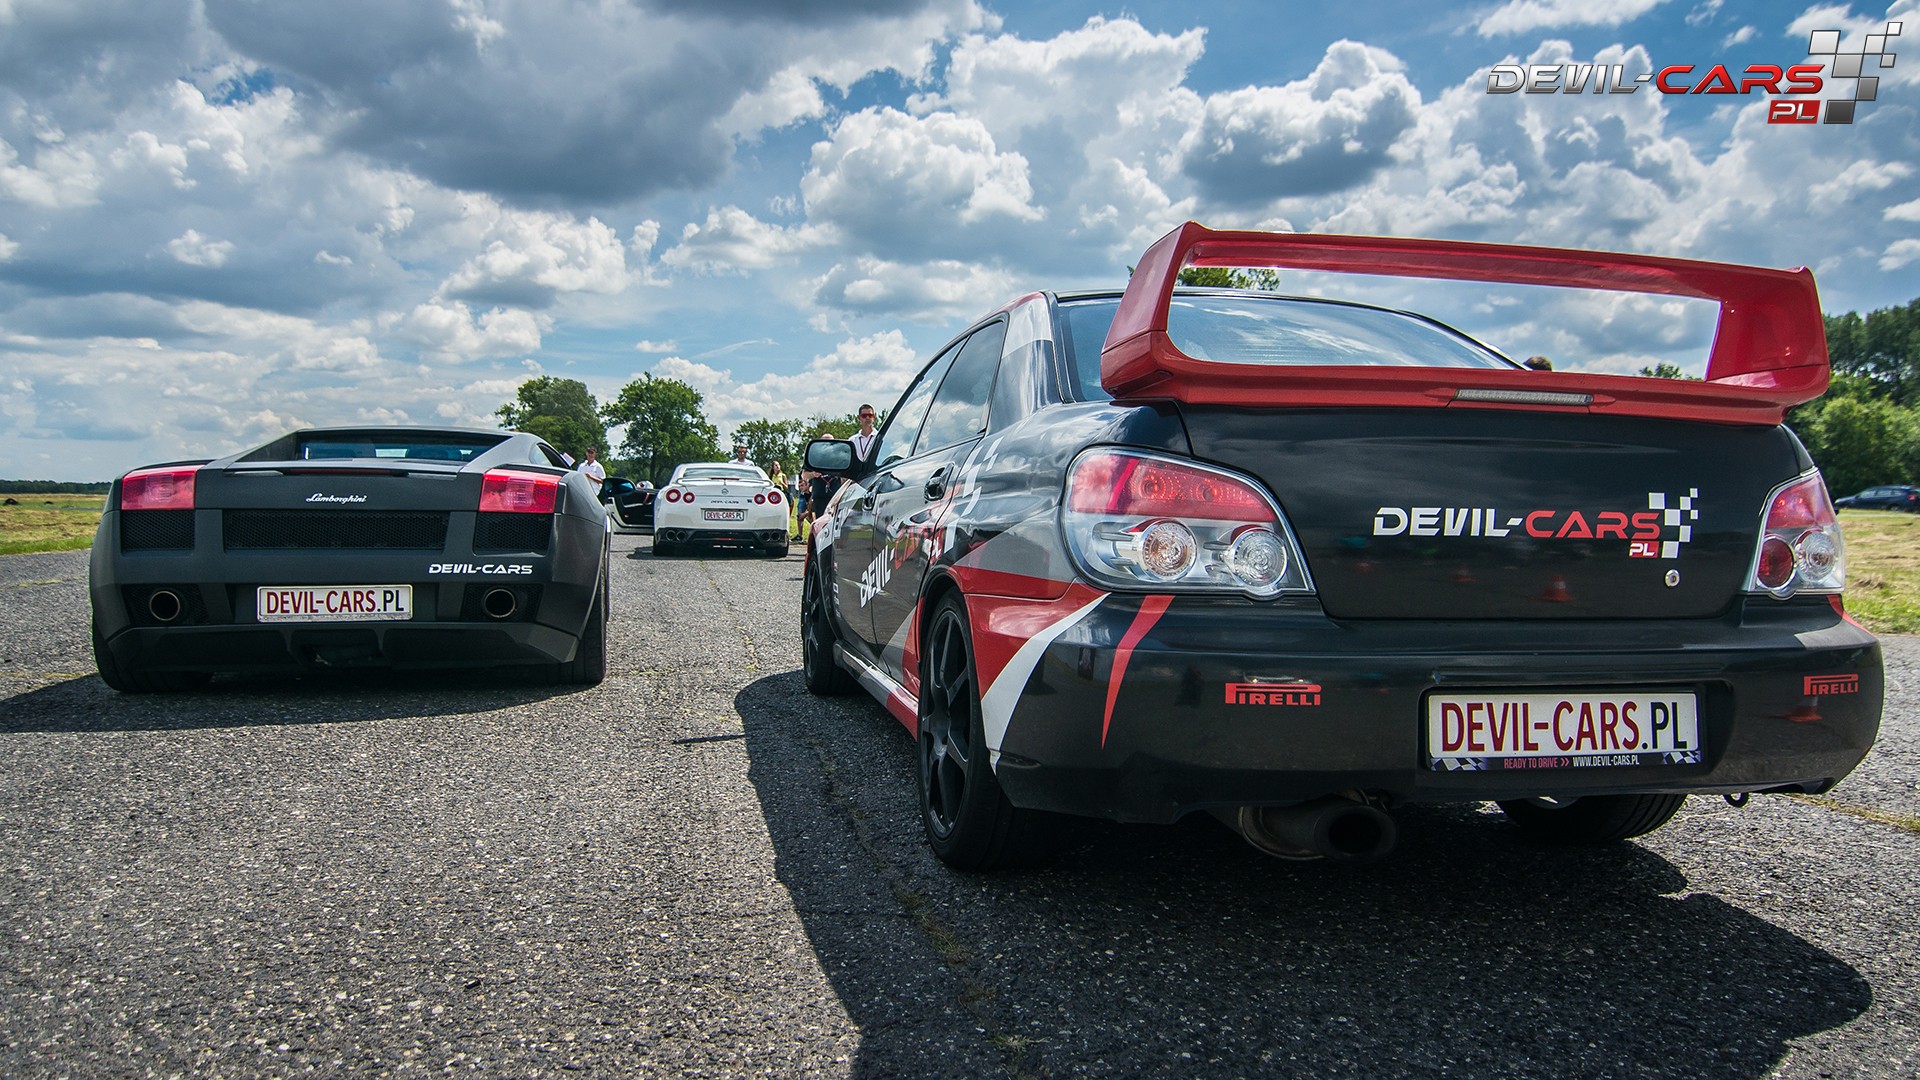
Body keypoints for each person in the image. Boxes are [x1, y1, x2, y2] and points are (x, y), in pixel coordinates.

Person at [850, 404, 879, 471]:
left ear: (874, 417)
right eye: (864, 416)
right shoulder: (852, 440)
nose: (867, 418)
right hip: (857, 474)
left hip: (874, 472)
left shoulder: (879, 438)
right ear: (859, 418)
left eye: (870, 415)